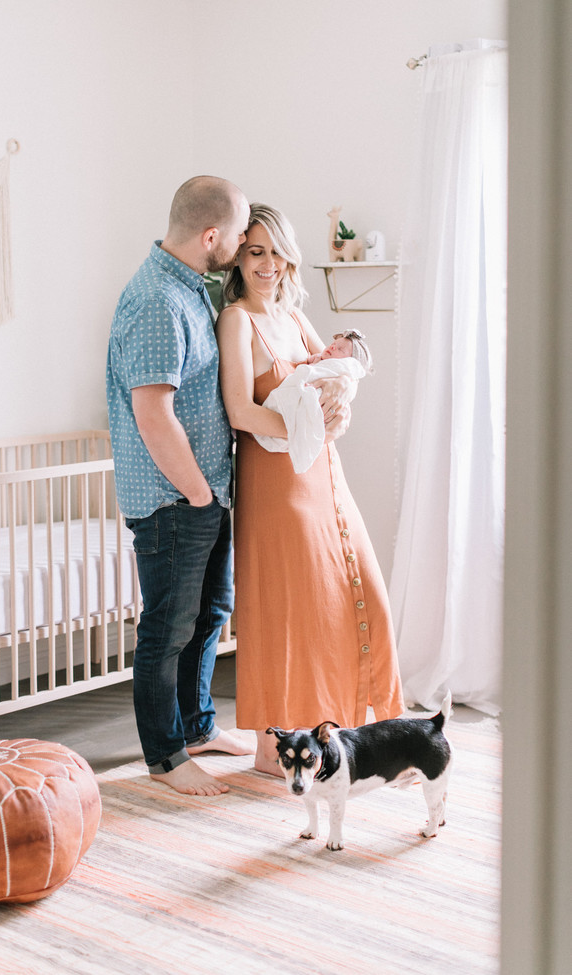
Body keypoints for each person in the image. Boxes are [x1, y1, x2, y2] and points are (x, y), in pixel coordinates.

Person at [216, 203, 404, 776]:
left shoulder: (297, 318)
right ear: (239, 259)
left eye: (276, 252)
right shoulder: (236, 320)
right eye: (255, 251)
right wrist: (305, 426)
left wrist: (337, 410)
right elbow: (240, 410)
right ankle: (275, 746)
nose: (268, 264)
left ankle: (340, 727)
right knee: (290, 609)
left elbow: (334, 383)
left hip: (325, 475)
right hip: (276, 483)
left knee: (357, 594)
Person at [106, 175, 254, 797]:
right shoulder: (159, 301)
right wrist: (196, 493)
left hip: (203, 493)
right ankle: (165, 756)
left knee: (208, 617)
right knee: (167, 628)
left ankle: (195, 727)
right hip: (175, 499)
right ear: (212, 234)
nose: (245, 244)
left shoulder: (192, 290)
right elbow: (152, 412)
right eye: (241, 233)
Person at [253, 329, 374, 473]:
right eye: (333, 343)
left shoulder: (340, 370)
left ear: (350, 362)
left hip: (324, 462)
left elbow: (349, 374)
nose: (333, 347)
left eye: (340, 349)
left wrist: (345, 380)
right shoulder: (324, 361)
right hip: (277, 454)